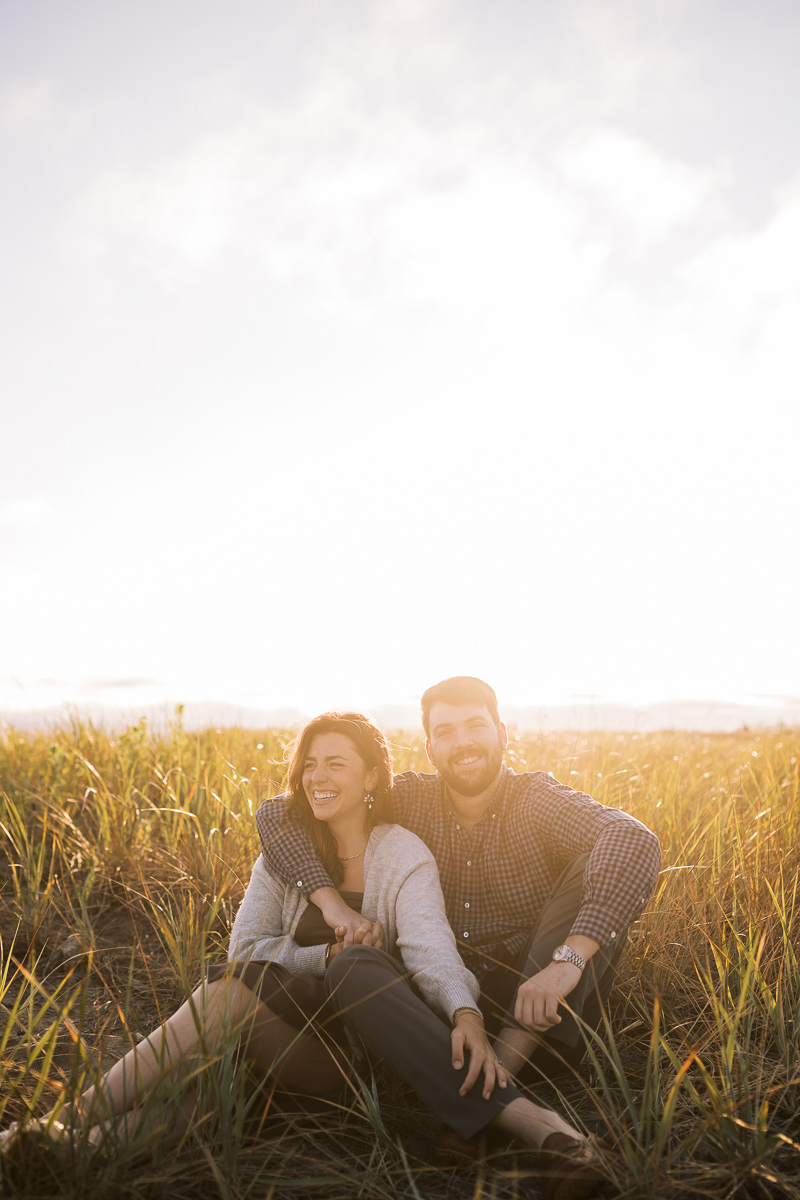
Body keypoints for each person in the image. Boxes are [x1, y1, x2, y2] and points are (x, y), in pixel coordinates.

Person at [1, 711, 606, 1200]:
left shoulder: (403, 854)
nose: (319, 775)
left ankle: (61, 1123)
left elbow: (430, 951)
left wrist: (465, 1013)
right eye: (310, 763)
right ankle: (58, 1148)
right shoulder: (283, 857)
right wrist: (323, 949)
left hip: (353, 1054)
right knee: (216, 1089)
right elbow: (247, 952)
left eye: (336, 763)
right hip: (277, 1029)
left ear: (371, 778)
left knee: (250, 992)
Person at [256, 678, 662, 1085]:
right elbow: (279, 815)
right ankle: (475, 1087)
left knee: (596, 864)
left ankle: (499, 1076)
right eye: (445, 732)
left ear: (502, 734)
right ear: (431, 750)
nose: (462, 742)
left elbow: (633, 838)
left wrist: (566, 964)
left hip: (538, 1003)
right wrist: (333, 905)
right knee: (360, 966)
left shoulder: (536, 799)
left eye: (475, 726)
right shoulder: (410, 798)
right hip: (442, 1002)